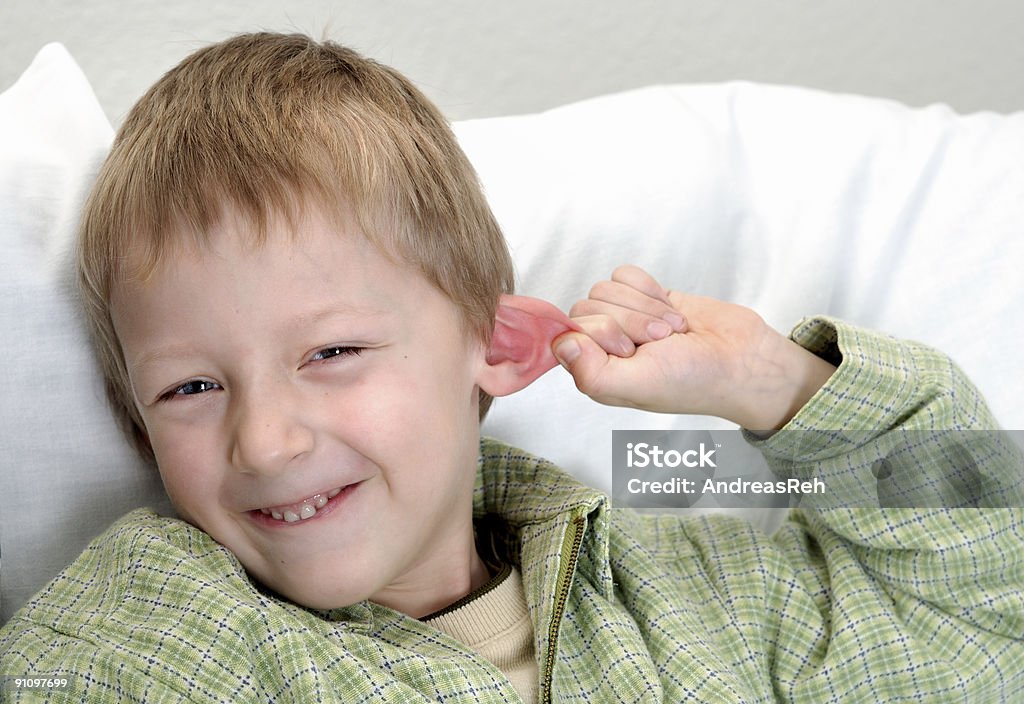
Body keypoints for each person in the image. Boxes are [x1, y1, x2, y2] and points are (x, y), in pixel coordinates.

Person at [1, 32, 1021, 703]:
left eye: (335, 352)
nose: (265, 438)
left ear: (499, 347)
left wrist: (775, 387)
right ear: (136, 424)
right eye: (191, 387)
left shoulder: (695, 594)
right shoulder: (154, 634)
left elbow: (992, 622)